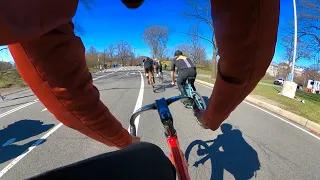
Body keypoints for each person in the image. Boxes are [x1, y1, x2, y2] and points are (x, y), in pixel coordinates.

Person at [1, 0, 280, 178]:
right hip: (192, 73)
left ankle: (181, 97)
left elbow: (54, 77)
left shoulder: (168, 59)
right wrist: (211, 116)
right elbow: (249, 38)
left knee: (151, 152)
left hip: (177, 74)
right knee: (186, 87)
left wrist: (128, 144)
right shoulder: (178, 57)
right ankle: (191, 100)